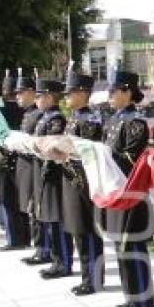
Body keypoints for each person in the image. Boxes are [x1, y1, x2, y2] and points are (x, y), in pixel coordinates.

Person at [103, 70, 154, 307]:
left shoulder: (136, 123)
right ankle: (131, 296)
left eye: (113, 91)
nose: (109, 95)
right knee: (120, 245)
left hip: (132, 192)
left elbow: (131, 159)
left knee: (132, 245)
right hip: (116, 191)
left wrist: (105, 156)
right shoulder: (114, 120)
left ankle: (143, 299)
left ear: (126, 92)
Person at [62, 72, 105, 295]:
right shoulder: (75, 116)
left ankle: (93, 278)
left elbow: (88, 150)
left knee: (87, 230)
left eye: (71, 92)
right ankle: (87, 276)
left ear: (83, 94)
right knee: (78, 229)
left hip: (83, 180)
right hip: (72, 180)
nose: (67, 96)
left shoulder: (89, 118)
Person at [32, 78, 72, 280]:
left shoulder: (56, 120)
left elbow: (52, 146)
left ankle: (63, 262)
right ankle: (57, 260)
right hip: (44, 172)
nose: (36, 99)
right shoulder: (44, 117)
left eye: (39, 95)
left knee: (57, 219)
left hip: (54, 175)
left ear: (49, 96)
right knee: (49, 218)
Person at [16, 71, 49, 266]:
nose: (18, 97)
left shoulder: (39, 115)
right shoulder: (29, 114)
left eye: (21, 92)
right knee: (32, 209)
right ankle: (40, 247)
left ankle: (43, 248)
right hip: (27, 166)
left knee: (37, 208)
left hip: (35, 165)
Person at [0, 69, 29, 251]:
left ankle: (13, 239)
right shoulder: (25, 111)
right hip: (22, 162)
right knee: (21, 201)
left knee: (6, 200)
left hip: (6, 161)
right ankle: (25, 237)